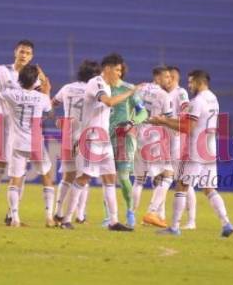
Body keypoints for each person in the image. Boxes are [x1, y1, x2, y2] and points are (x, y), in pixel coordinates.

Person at [0, 41, 55, 225]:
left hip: (21, 129)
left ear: (32, 56)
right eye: (22, 51)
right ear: (15, 52)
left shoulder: (33, 76)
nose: (24, 55)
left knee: (20, 173)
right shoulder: (1, 70)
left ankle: (11, 216)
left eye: (28, 53)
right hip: (3, 123)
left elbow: (41, 98)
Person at [151, 70, 233, 238]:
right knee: (209, 188)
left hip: (195, 150)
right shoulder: (213, 98)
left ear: (199, 82)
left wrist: (163, 121)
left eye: (191, 82)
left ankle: (174, 227)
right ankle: (226, 223)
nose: (189, 85)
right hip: (209, 149)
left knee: (181, 185)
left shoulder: (197, 101)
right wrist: (166, 121)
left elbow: (188, 127)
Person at [60, 53, 136, 231]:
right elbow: (108, 102)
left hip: (103, 139)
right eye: (117, 70)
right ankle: (66, 219)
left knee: (110, 178)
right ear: (107, 68)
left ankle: (113, 221)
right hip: (92, 138)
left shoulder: (107, 86)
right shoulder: (96, 82)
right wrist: (130, 92)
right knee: (83, 178)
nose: (119, 74)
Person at [51, 60, 101, 225]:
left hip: (68, 135)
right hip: (85, 136)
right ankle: (77, 215)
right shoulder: (94, 90)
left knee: (67, 176)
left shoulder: (67, 88)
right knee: (83, 177)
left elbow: (52, 103)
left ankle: (58, 212)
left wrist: (58, 119)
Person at [105, 61, 147, 228]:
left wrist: (132, 122)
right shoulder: (102, 88)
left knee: (123, 177)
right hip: (104, 136)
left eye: (119, 70)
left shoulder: (128, 89)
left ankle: (130, 212)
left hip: (124, 137)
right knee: (107, 177)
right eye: (114, 69)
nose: (117, 73)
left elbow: (143, 112)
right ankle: (109, 217)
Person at [132, 66, 175, 228]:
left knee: (139, 179)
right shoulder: (164, 95)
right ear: (157, 78)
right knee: (168, 175)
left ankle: (131, 216)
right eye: (166, 77)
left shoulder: (140, 88)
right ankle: (151, 212)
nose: (169, 80)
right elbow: (169, 120)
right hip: (154, 138)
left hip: (138, 136)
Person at [163, 65, 196, 229]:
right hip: (166, 141)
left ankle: (191, 220)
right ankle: (160, 215)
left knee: (183, 180)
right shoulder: (166, 93)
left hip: (178, 141)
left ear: (173, 77)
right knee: (174, 178)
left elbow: (185, 109)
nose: (165, 79)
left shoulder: (180, 92)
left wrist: (178, 125)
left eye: (167, 77)